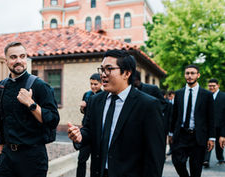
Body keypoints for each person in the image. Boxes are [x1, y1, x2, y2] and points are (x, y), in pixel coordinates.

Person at [68, 49, 165, 177]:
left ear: (126, 73)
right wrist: (80, 136)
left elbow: (155, 156)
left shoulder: (148, 105)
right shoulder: (95, 101)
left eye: (109, 69)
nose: (103, 74)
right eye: (102, 69)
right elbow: (90, 131)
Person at [0, 42, 60, 177]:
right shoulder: (1, 87)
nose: (18, 61)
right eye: (13, 57)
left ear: (26, 59)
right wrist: (2, 143)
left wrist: (31, 104)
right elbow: (1, 119)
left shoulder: (40, 86)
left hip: (32, 156)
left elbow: (53, 120)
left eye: (22, 56)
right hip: (8, 154)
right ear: (6, 61)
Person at [169, 64, 215, 177]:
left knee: (196, 168)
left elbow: (211, 117)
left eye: (192, 73)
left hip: (198, 136)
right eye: (187, 73)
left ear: (198, 75)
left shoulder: (207, 95)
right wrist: (170, 133)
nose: (189, 76)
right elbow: (174, 115)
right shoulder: (178, 93)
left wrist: (211, 138)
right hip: (181, 135)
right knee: (177, 161)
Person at [77, 73, 102, 177]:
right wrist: (82, 108)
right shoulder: (86, 94)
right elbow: (84, 112)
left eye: (95, 84)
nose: (93, 86)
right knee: (81, 159)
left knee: (95, 161)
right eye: (91, 84)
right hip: (86, 130)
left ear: (101, 84)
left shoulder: (104, 96)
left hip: (97, 132)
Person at [203, 79, 225, 167]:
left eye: (213, 86)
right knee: (207, 142)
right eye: (210, 86)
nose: (211, 87)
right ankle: (206, 160)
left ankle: (220, 158)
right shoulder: (205, 96)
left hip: (220, 125)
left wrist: (224, 133)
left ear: (218, 86)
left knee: (219, 143)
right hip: (208, 126)